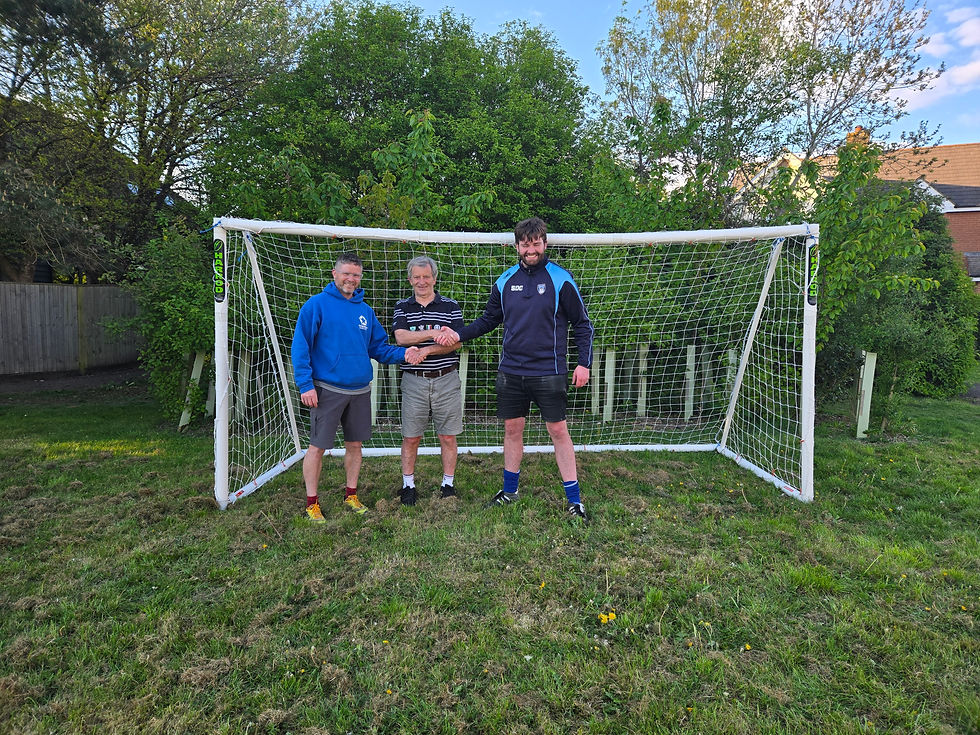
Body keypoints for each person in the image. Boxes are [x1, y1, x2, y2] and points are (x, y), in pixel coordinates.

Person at [434, 216, 594, 522]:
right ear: (517, 246)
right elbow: (487, 320)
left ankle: (574, 501)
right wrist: (458, 333)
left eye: (536, 243)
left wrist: (583, 363)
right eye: (525, 244)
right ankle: (509, 491)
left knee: (558, 431)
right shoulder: (504, 280)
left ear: (545, 244)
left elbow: (583, 325)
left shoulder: (561, 279)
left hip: (550, 370)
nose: (530, 249)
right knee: (512, 429)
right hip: (511, 371)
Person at [291, 252, 424, 522]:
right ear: (334, 274)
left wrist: (405, 354)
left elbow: (378, 349)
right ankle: (311, 503)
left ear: (360, 277)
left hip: (360, 390)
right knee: (317, 447)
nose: (350, 279)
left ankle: (351, 494)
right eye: (346, 273)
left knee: (355, 445)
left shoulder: (365, 311)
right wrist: (305, 385)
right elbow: (300, 347)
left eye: (355, 274)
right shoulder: (316, 305)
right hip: (326, 389)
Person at [392, 256, 464, 505]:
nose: (422, 281)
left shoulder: (451, 306)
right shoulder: (402, 307)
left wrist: (425, 350)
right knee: (411, 437)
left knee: (448, 436)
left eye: (426, 276)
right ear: (410, 279)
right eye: (417, 277)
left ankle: (448, 484)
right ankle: (408, 485)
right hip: (414, 380)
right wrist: (434, 333)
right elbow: (401, 337)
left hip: (446, 379)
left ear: (434, 277)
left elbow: (457, 342)